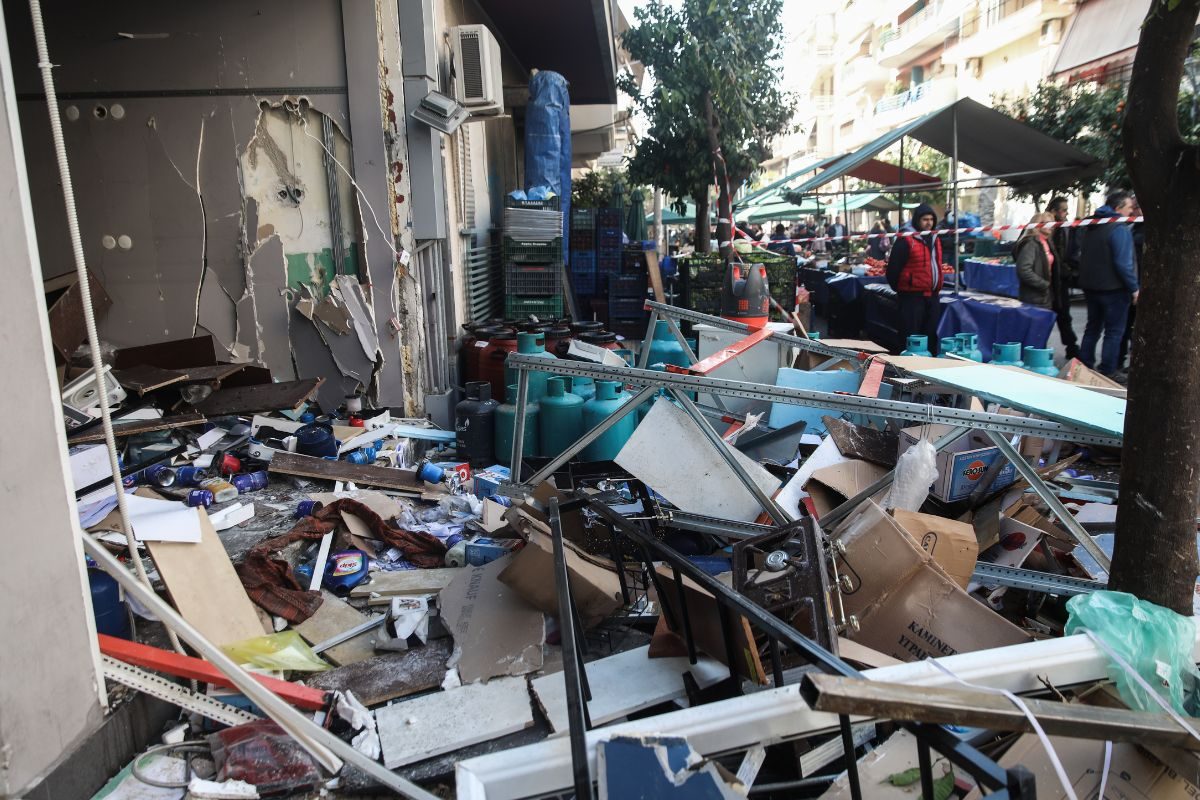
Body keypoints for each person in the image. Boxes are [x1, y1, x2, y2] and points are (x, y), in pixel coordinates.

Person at [1078, 190, 1139, 382]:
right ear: (1118, 208)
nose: (1132, 212)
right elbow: (1123, 263)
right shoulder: (1118, 228)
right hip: (1114, 289)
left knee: (1093, 327)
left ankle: (1085, 365)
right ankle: (1108, 370)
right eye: (1129, 208)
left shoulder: (1093, 225)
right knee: (1114, 331)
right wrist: (1134, 287)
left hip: (1091, 286)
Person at [887, 203, 945, 355]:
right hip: (912, 298)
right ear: (917, 220)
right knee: (910, 338)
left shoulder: (935, 239)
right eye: (925, 219)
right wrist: (904, 289)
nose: (928, 223)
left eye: (931, 219)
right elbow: (893, 270)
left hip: (932, 297)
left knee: (930, 337)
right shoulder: (906, 239)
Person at [1046, 196, 1081, 360]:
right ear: (1054, 211)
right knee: (1045, 317)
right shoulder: (1043, 228)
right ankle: (1038, 349)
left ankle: (1071, 347)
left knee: (1064, 316)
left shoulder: (1066, 228)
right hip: (1046, 284)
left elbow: (1072, 251)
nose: (1066, 214)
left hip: (1061, 282)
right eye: (1064, 210)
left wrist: (1069, 270)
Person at [1013, 213, 1055, 308]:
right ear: (1037, 224)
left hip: (1044, 295)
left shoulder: (1047, 242)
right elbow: (1024, 270)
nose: (1051, 226)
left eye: (1052, 223)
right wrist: (1043, 284)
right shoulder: (1031, 244)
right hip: (1034, 297)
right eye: (1047, 223)